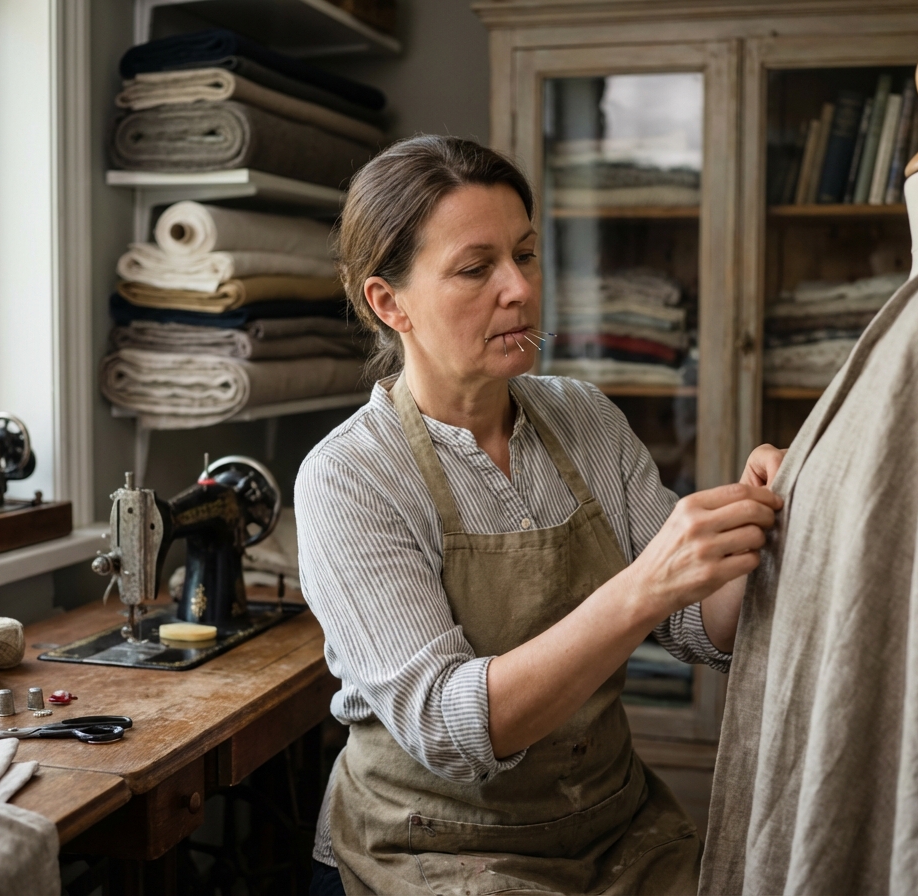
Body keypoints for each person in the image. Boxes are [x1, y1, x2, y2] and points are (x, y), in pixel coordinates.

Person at [296, 135, 784, 896]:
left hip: (612, 831)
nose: (518, 289)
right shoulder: (350, 477)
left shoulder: (583, 417)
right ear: (388, 303)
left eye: (525, 256)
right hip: (430, 851)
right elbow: (449, 727)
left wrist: (765, 523)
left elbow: (693, 624)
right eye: (475, 268)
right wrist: (643, 587)